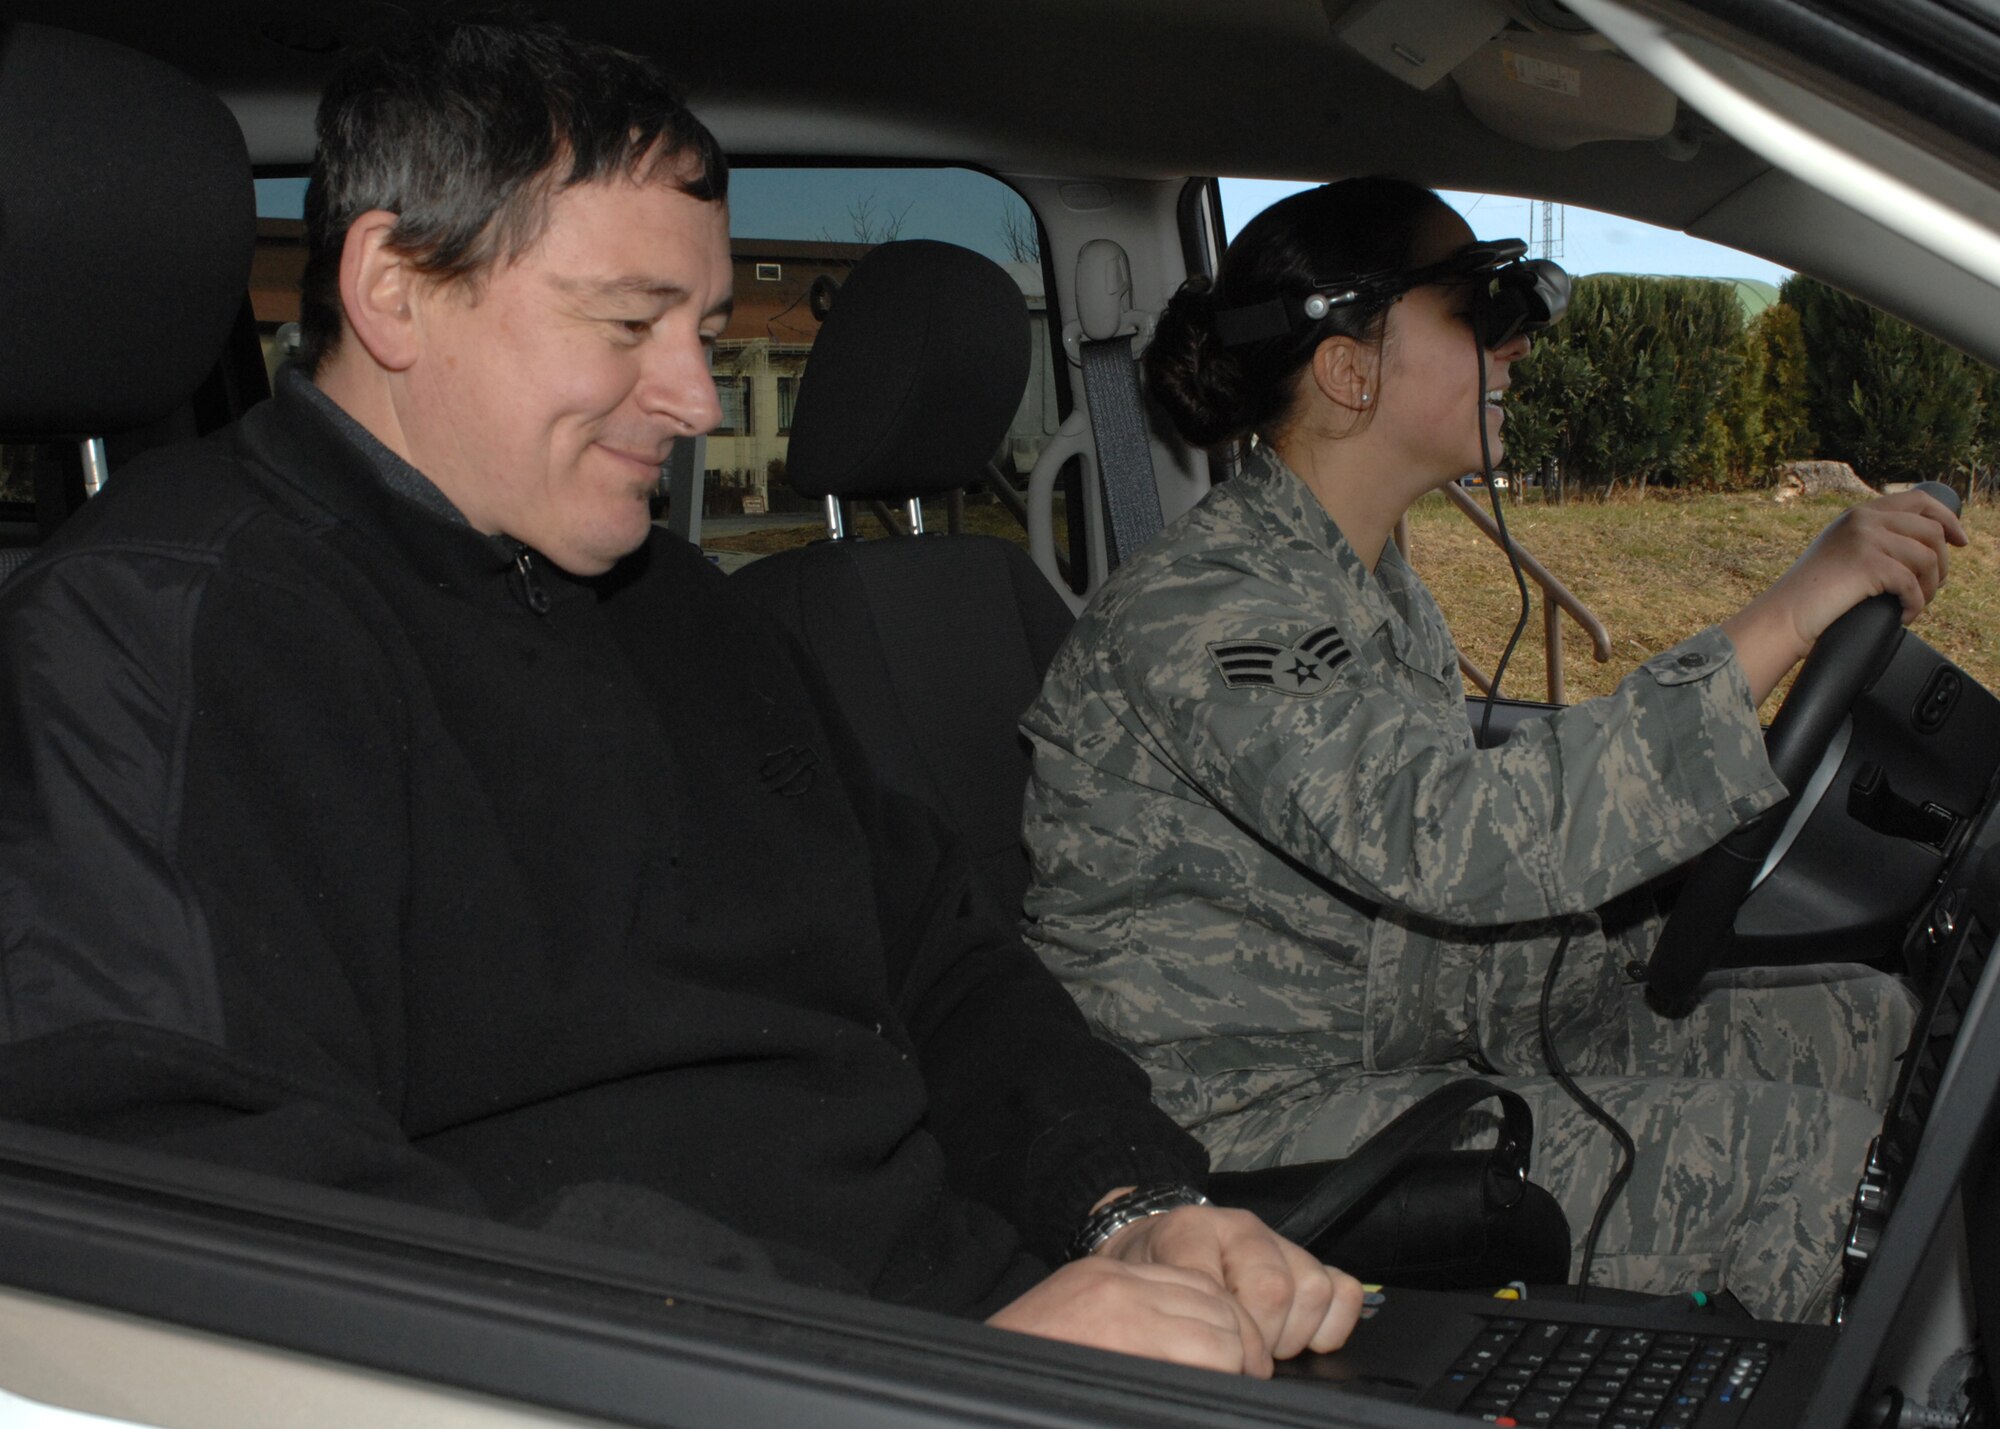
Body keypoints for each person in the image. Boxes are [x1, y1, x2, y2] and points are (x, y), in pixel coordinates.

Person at [0, 18, 1362, 1376]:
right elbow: (230, 1193)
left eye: (703, 327)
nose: (700, 397)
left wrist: (1135, 1207)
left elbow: (945, 967)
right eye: (629, 320)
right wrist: (899, 1367)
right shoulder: (159, 637)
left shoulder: (694, 611)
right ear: (396, 286)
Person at [1020, 177, 1963, 1323]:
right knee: (1812, 1157)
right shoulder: (1204, 609)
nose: (1514, 342)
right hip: (1244, 1120)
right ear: (1347, 367)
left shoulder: (1364, 584)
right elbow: (1449, 840)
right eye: (1475, 307)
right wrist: (1786, 612)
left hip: (1407, 1037)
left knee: (1880, 1025)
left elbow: (1444, 863)